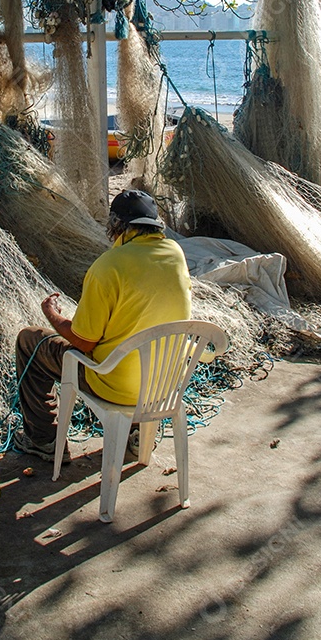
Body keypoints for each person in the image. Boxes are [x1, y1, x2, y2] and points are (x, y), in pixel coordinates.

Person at [14, 189, 193, 461]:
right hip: (163, 386)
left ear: (116, 225)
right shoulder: (176, 253)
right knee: (137, 341)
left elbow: (83, 342)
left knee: (30, 340)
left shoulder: (108, 266)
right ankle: (136, 434)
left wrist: (52, 314)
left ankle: (43, 440)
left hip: (113, 385)